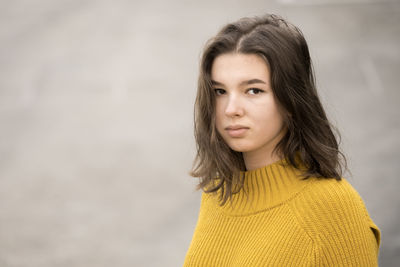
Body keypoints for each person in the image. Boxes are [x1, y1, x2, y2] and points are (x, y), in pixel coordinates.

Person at [183, 14, 381, 266]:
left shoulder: (334, 208)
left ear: (290, 100)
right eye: (220, 91)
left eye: (253, 90)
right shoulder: (221, 190)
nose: (231, 109)